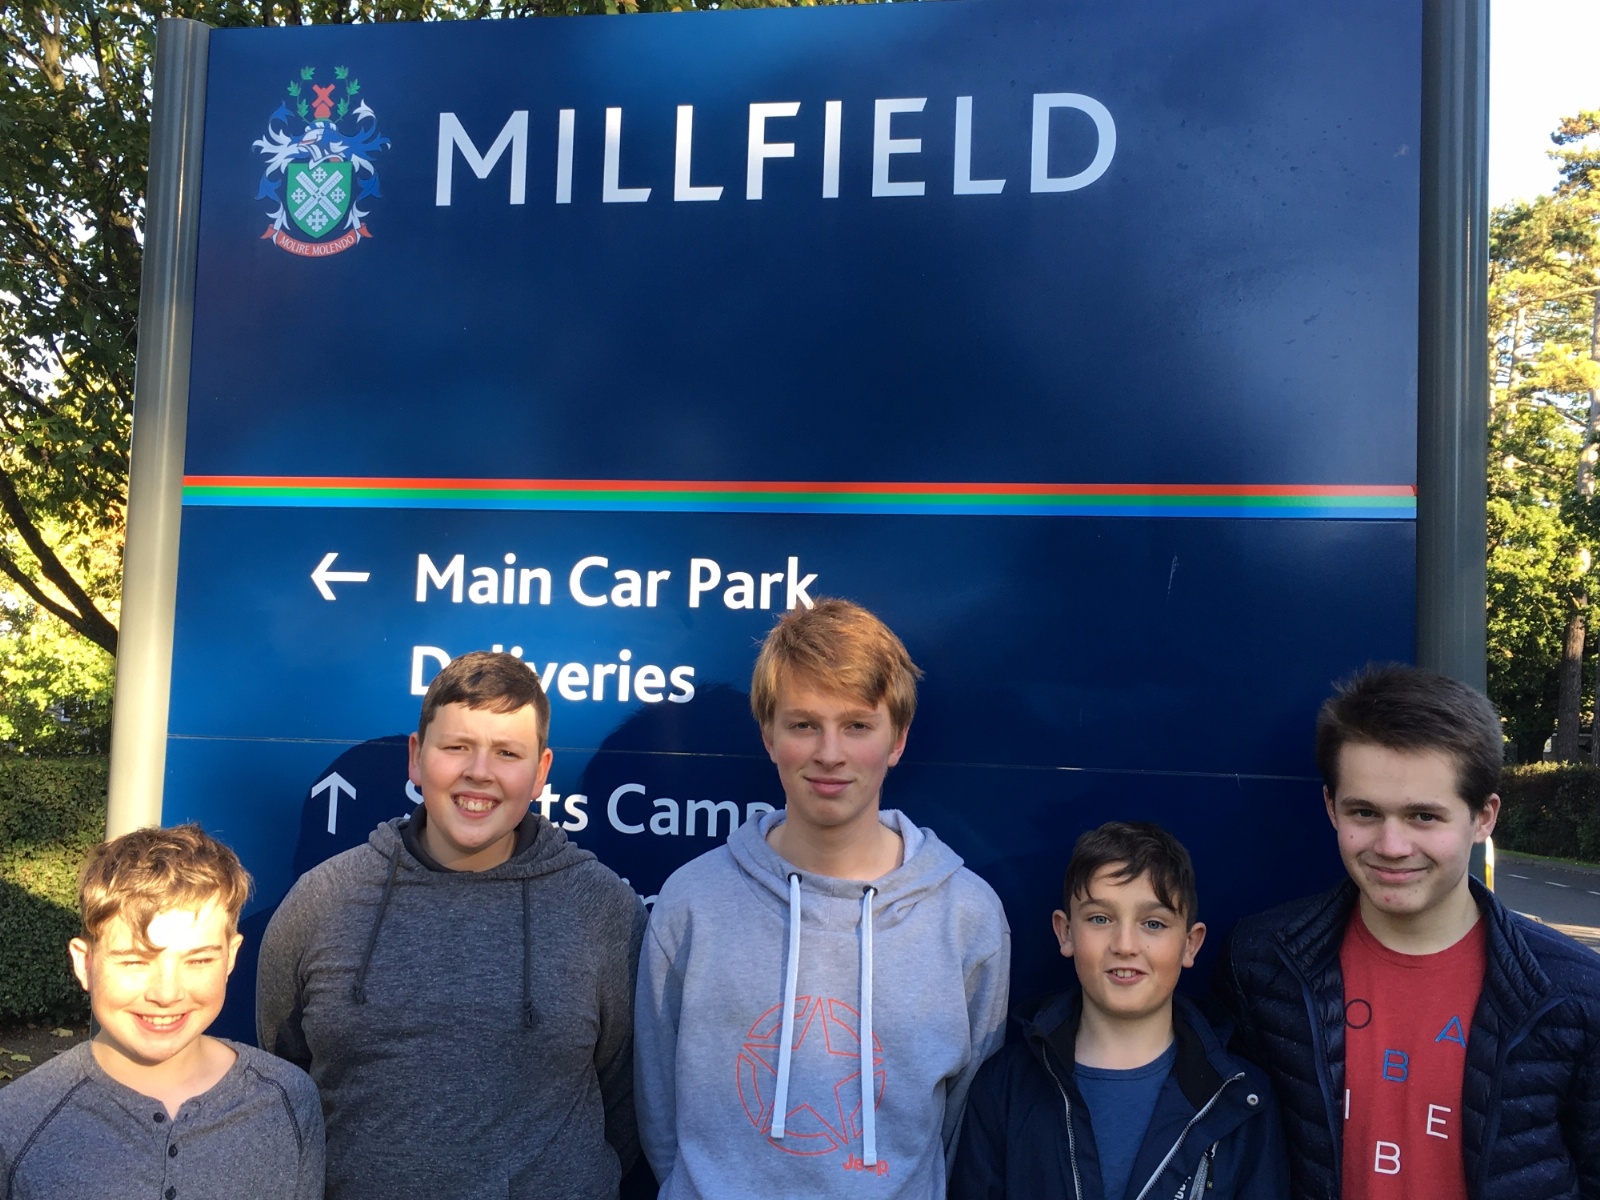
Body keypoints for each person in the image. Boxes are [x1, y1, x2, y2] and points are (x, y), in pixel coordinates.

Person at [634, 598, 1011, 1199]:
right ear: (769, 735)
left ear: (897, 740)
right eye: (804, 724)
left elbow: (965, 1123)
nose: (829, 753)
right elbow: (658, 1113)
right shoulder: (693, 903)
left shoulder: (966, 917)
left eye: (857, 726)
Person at [257, 649, 647, 1200]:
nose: (479, 772)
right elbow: (284, 1077)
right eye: (457, 746)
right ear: (416, 758)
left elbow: (627, 1101)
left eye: (507, 752)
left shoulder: (601, 909)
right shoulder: (323, 900)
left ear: (540, 772)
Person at [1214, 664, 1600, 1200]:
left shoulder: (1577, 994)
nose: (1391, 846)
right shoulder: (1260, 963)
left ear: (1484, 817)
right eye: (1365, 812)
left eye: (1423, 816)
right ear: (1331, 808)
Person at [950, 821, 1287, 1200]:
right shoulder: (1004, 1088)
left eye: (1153, 923)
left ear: (1190, 944)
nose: (1125, 945)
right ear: (1065, 932)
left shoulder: (1242, 1097)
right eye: (1100, 918)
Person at [0, 823, 323, 1200]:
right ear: (84, 963)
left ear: (230, 956)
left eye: (198, 960)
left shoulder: (288, 1099)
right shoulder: (18, 1122)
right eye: (135, 962)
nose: (167, 993)